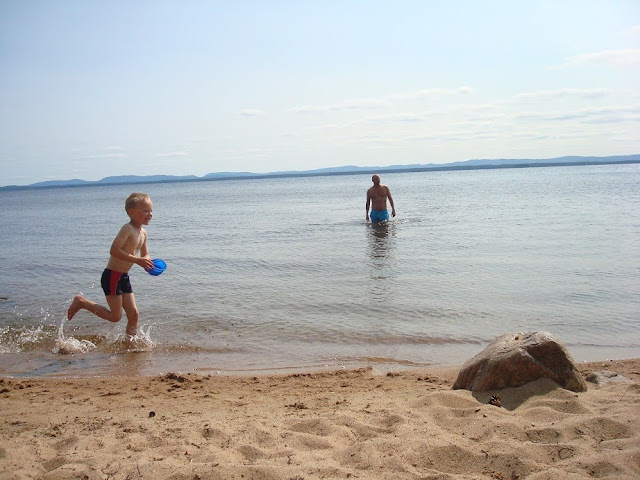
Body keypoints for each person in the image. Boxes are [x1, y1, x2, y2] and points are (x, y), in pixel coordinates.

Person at [67, 193, 155, 337]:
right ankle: (82, 302)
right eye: (146, 210)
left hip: (123, 277)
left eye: (151, 210)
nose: (150, 214)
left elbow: (145, 254)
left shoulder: (143, 233)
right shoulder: (127, 229)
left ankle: (130, 345)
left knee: (134, 314)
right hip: (112, 276)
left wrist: (147, 262)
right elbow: (114, 250)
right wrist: (137, 260)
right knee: (115, 317)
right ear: (131, 212)